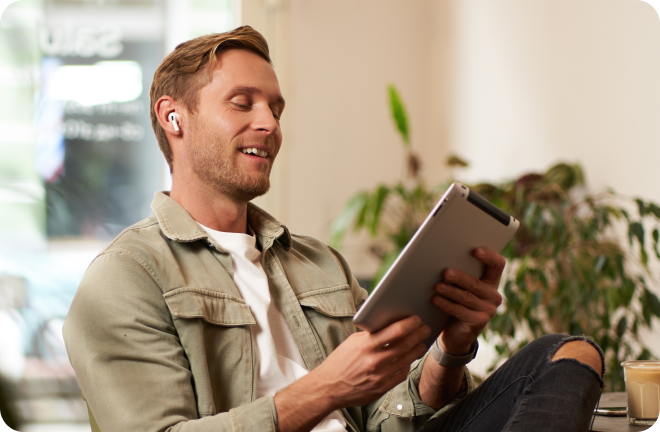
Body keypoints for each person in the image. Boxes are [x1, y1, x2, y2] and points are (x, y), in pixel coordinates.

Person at [63, 26, 605, 432]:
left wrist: (449, 348)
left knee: (570, 355)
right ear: (173, 117)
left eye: (276, 108)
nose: (270, 124)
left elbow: (388, 414)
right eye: (242, 103)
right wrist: (324, 389)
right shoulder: (127, 278)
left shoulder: (318, 263)